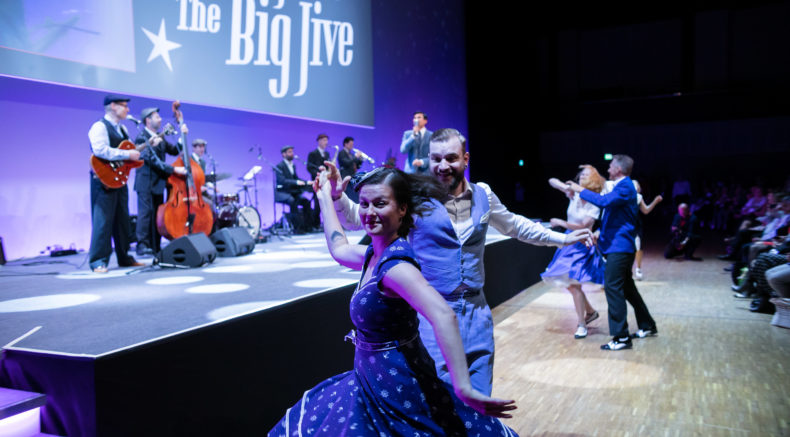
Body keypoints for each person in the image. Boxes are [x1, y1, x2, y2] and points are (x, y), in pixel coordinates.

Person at [328, 128, 592, 395]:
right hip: (431, 319)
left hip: (477, 314)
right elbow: (359, 217)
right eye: (436, 159)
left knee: (479, 404)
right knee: (442, 406)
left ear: (466, 159)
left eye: (451, 158)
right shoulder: (413, 198)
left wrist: (561, 239)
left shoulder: (483, 195)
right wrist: (337, 198)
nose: (442, 166)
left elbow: (515, 226)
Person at [269, 167, 518, 436]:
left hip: (395, 387)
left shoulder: (396, 268)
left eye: (380, 203)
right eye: (364, 204)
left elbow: (443, 314)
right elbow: (339, 248)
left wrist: (463, 388)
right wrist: (325, 196)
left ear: (402, 209)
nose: (369, 212)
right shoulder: (373, 256)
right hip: (372, 380)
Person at [568, 154, 657, 351]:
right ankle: (648, 325)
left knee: (612, 288)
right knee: (627, 289)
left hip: (621, 248)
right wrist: (600, 233)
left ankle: (621, 337)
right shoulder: (622, 187)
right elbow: (615, 216)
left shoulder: (625, 186)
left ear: (618, 168)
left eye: (610, 166)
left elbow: (602, 201)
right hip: (618, 246)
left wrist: (580, 190)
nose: (608, 169)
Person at [542, 165, 606, 339]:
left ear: (593, 180)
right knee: (570, 284)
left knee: (574, 284)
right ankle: (590, 312)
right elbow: (551, 181)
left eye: (586, 175)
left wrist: (560, 222)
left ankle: (581, 324)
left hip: (582, 244)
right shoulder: (575, 194)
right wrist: (566, 188)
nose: (581, 177)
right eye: (581, 175)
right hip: (569, 243)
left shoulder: (595, 201)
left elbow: (583, 226)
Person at [88, 94, 144, 273]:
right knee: (103, 221)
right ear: (113, 106)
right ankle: (98, 260)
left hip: (120, 180)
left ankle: (124, 257)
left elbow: (130, 154)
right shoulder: (99, 126)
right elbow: (100, 150)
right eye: (124, 106)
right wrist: (128, 155)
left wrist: (146, 147)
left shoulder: (123, 130)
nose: (127, 109)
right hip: (103, 180)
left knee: (122, 221)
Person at [133, 107, 186, 256]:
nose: (160, 119)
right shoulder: (142, 137)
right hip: (145, 182)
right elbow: (151, 160)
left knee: (156, 216)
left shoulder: (160, 137)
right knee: (145, 214)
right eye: (157, 117)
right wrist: (174, 170)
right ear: (148, 120)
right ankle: (142, 245)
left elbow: (174, 150)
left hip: (158, 183)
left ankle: (155, 246)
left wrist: (182, 135)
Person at [275, 146, 312, 233]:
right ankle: (297, 228)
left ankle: (307, 226)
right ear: (283, 154)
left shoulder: (293, 165)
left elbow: (296, 178)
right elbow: (282, 180)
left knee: (306, 201)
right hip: (284, 192)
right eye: (289, 152)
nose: (292, 154)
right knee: (293, 201)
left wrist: (306, 182)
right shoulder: (279, 166)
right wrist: (296, 182)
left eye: (292, 152)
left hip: (293, 192)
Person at [632, 180, 663, 280]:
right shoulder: (621, 197)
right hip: (624, 225)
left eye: (636, 185)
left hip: (636, 225)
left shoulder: (638, 197)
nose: (634, 186)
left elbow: (645, 211)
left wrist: (655, 201)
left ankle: (638, 269)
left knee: (638, 247)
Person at [307, 133, 332, 227]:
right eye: (324, 140)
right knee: (318, 203)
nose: (326, 142)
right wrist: (318, 173)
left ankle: (327, 223)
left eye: (327, 140)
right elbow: (309, 167)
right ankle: (315, 224)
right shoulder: (313, 154)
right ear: (319, 141)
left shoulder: (327, 154)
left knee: (327, 202)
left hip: (326, 181)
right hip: (317, 180)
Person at [337, 136, 364, 201]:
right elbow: (346, 163)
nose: (352, 146)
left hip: (352, 178)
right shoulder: (342, 153)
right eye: (350, 144)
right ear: (345, 144)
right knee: (347, 196)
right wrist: (355, 156)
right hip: (345, 178)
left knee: (353, 196)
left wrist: (361, 159)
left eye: (352, 144)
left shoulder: (351, 154)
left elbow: (357, 166)